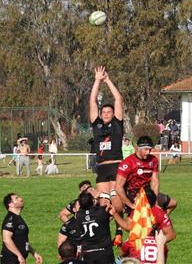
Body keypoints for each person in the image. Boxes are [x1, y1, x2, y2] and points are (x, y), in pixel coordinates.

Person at [89, 65, 124, 207]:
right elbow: (92, 101)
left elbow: (118, 99)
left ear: (113, 113)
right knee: (103, 203)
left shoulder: (117, 124)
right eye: (103, 112)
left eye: (109, 112)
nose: (105, 114)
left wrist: (108, 80)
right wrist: (97, 81)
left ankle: (119, 229)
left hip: (116, 165)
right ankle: (104, 228)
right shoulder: (97, 125)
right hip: (101, 167)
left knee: (116, 201)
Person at [115, 136, 177, 215]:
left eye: (150, 149)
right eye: (146, 149)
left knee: (172, 203)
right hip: (133, 194)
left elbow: (155, 182)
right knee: (140, 220)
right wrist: (130, 204)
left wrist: (154, 201)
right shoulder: (128, 163)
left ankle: (158, 223)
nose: (148, 152)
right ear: (138, 148)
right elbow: (118, 187)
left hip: (148, 193)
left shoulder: (153, 160)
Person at [0, 193, 43, 264]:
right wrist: (19, 255)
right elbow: (6, 239)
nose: (21, 199)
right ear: (10, 204)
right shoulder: (10, 219)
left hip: (18, 259)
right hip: (10, 259)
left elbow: (22, 240)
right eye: (16, 198)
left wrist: (33, 253)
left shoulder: (18, 218)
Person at [75, 192, 114, 264]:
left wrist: (94, 200)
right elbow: (112, 209)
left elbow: (83, 209)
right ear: (92, 201)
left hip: (88, 253)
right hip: (104, 251)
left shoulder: (78, 216)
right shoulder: (102, 211)